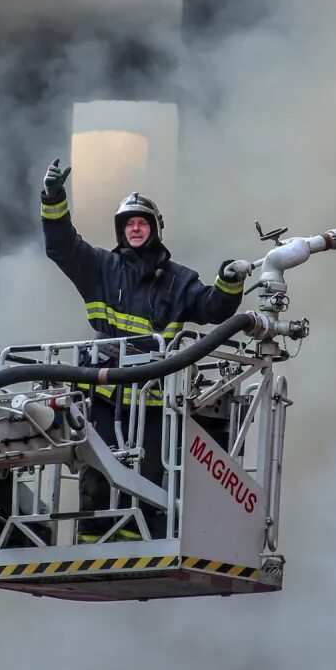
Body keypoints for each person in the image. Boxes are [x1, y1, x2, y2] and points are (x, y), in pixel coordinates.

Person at [39, 159, 249, 536]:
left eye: (142, 223)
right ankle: (96, 550)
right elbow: (62, 247)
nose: (135, 228)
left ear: (154, 229)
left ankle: (143, 543)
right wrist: (53, 199)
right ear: (121, 231)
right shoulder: (100, 267)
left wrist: (228, 281)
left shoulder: (179, 280)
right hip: (104, 398)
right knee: (98, 479)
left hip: (155, 403)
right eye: (129, 223)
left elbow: (214, 308)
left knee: (151, 480)